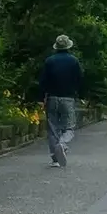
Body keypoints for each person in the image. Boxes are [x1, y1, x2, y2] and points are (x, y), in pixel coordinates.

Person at [39, 34, 83, 167]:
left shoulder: (49, 61)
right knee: (69, 127)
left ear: (56, 47)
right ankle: (62, 144)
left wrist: (41, 98)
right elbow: (79, 79)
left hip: (52, 98)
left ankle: (55, 159)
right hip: (68, 98)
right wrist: (80, 94)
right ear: (68, 46)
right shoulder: (73, 61)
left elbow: (43, 81)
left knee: (53, 128)